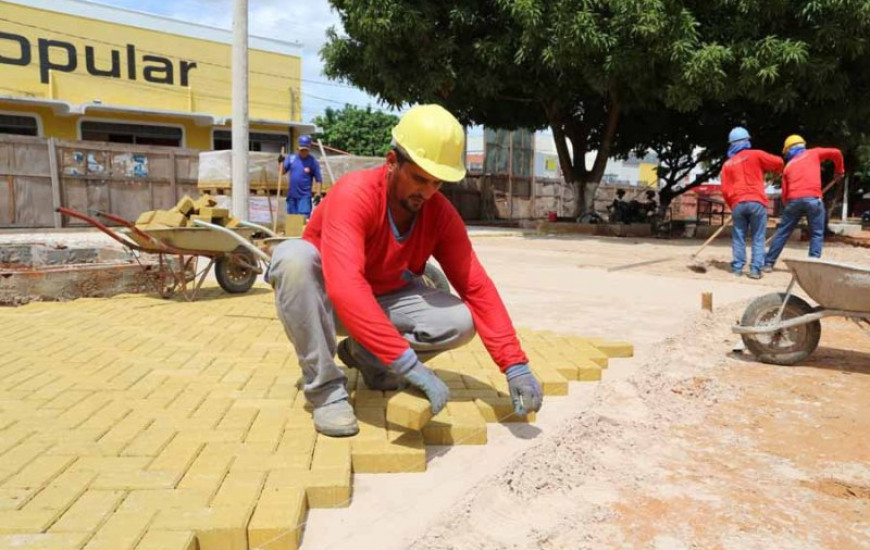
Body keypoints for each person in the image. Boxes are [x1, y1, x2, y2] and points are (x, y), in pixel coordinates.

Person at [268, 104, 544, 437]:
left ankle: (369, 359)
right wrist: (405, 360)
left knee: (461, 320)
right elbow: (346, 286)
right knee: (292, 258)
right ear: (392, 161)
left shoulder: (439, 214)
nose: (427, 192)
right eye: (419, 179)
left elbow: (476, 287)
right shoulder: (355, 194)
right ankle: (326, 390)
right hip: (326, 300)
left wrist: (514, 364)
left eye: (437, 183)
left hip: (384, 298)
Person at [763, 135, 845, 271]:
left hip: (793, 201)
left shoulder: (788, 166)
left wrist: (790, 208)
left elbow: (784, 194)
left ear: (788, 150)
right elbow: (836, 153)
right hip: (813, 200)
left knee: (783, 232)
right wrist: (839, 170)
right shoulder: (814, 153)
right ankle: (812, 265)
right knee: (817, 233)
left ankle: (768, 263)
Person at [719, 126, 784, 279]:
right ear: (747, 141)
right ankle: (755, 269)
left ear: (731, 144)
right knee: (758, 237)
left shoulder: (727, 165)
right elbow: (779, 162)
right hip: (757, 202)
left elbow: (725, 190)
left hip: (738, 204)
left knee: (739, 237)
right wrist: (775, 170)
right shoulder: (756, 155)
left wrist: (733, 206)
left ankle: (737, 268)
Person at [279, 135, 323, 217]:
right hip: (292, 196)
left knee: (303, 220)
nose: (303, 152)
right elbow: (282, 172)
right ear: (298, 148)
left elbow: (318, 179)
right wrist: (280, 162)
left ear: (309, 149)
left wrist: (318, 194)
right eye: (301, 150)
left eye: (305, 150)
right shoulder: (291, 159)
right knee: (292, 221)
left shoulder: (313, 162)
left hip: (304, 197)